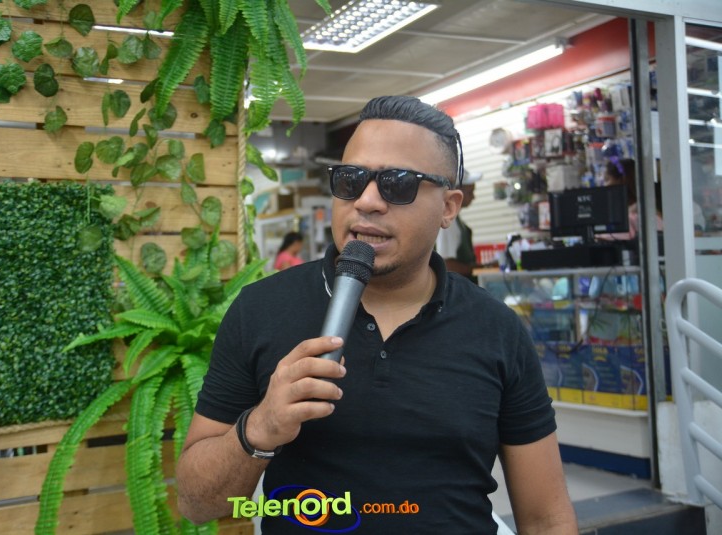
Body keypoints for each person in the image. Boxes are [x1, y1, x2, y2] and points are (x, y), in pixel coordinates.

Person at [176, 95, 577, 534]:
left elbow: (546, 518)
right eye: (350, 180)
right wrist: (260, 427)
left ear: (448, 207)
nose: (366, 201)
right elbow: (196, 503)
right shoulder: (260, 310)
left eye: (397, 184)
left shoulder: (497, 329)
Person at [600, 157, 663, 240]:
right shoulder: (647, 207)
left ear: (621, 180)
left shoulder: (633, 217)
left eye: (607, 179)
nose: (604, 185)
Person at [435, 169, 481, 281]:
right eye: (470, 192)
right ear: (456, 193)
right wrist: (475, 268)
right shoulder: (448, 223)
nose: (473, 197)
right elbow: (447, 265)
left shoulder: (455, 220)